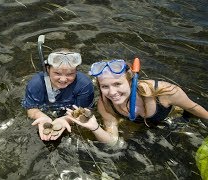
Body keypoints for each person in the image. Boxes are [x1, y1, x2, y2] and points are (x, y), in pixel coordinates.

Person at [67, 59, 208, 145]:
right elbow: (113, 142)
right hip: (135, 123)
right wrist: (94, 127)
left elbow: (194, 108)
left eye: (117, 84)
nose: (112, 92)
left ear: (131, 81)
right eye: (105, 86)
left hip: (172, 116)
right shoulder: (105, 104)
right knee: (124, 144)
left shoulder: (165, 92)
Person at [22, 49, 94, 141]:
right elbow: (31, 108)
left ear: (76, 71)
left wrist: (66, 119)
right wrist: (41, 116)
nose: (63, 79)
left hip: (68, 113)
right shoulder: (36, 84)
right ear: (48, 69)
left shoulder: (84, 85)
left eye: (70, 74)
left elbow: (83, 111)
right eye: (57, 73)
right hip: (46, 109)